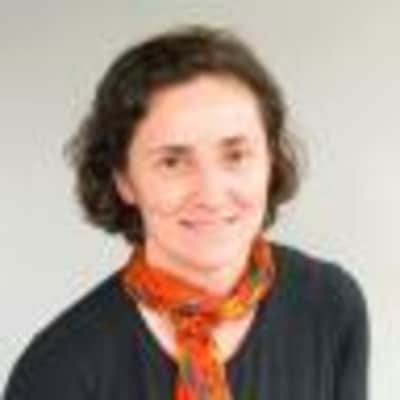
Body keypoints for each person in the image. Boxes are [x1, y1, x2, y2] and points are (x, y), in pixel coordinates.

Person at [4, 25, 369, 400]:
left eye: (235, 155)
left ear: (271, 162)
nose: (211, 194)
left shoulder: (330, 305)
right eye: (172, 162)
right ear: (124, 181)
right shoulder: (58, 370)